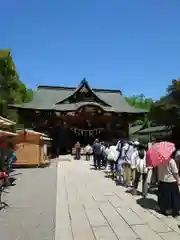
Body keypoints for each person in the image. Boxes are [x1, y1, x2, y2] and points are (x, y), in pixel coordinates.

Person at [157, 151, 180, 217]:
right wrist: (178, 180)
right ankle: (172, 210)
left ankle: (164, 209)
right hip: (171, 181)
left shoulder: (159, 160)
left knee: (164, 197)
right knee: (173, 197)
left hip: (162, 181)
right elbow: (175, 172)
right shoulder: (171, 161)